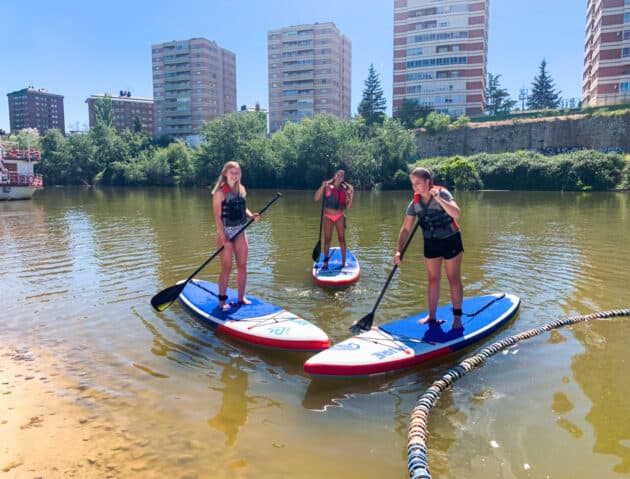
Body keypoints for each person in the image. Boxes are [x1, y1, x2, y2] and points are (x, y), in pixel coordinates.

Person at [393, 167, 464, 328]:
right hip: (431, 242)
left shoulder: (443, 194)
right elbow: (405, 229)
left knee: (453, 279)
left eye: (418, 183)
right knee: (433, 279)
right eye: (412, 184)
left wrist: (439, 199)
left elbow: (457, 213)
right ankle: (432, 316)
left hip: (451, 239)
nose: (415, 187)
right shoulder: (414, 204)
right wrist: (399, 250)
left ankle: (457, 319)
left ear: (427, 182)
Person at [212, 161, 260, 310]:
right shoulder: (220, 193)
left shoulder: (242, 189)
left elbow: (242, 207)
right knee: (227, 267)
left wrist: (251, 216)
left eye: (237, 172)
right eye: (231, 172)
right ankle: (222, 301)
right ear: (225, 174)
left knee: (242, 266)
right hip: (225, 232)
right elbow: (217, 216)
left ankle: (241, 297)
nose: (234, 175)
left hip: (240, 230)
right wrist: (224, 237)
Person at [314, 169, 354, 269]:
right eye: (338, 175)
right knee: (327, 240)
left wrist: (351, 196)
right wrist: (322, 186)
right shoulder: (328, 187)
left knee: (342, 239)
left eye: (341, 176)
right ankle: (325, 262)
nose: (339, 177)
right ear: (335, 176)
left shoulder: (344, 190)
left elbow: (348, 207)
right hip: (328, 217)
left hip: (339, 216)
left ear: (343, 178)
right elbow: (316, 198)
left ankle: (344, 262)